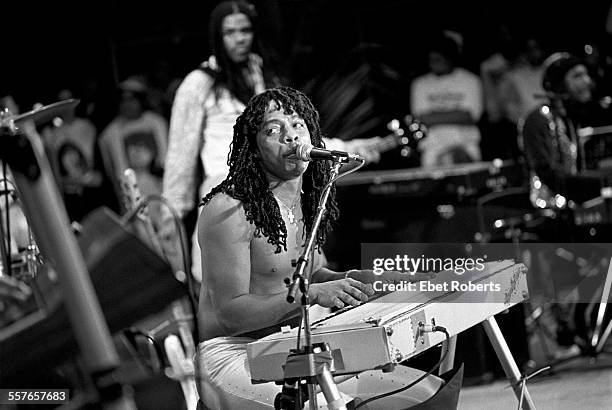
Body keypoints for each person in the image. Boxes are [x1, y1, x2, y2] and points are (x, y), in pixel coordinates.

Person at [194, 87, 441, 409]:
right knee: (328, 406)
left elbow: (312, 275)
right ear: (253, 149)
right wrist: (308, 294)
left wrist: (359, 279)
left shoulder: (307, 198)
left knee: (427, 392)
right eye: (272, 130)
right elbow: (231, 315)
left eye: (298, 125)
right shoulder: (229, 210)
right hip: (231, 352)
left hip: (294, 346)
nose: (290, 137)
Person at [162, 0, 385, 282]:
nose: (239, 38)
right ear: (217, 36)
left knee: (296, 274)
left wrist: (351, 149)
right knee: (231, 282)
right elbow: (180, 155)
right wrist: (171, 214)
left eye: (244, 30)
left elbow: (292, 136)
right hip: (226, 189)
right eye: (229, 32)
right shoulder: (198, 84)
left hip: (273, 185)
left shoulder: (263, 76)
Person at [410, 31, 483, 167]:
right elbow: (420, 119)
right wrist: (456, 114)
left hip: (466, 148)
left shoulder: (470, 80)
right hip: (432, 151)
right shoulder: (420, 84)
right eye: (431, 60)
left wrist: (434, 116)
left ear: (450, 58)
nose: (433, 65)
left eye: (438, 60)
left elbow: (470, 116)